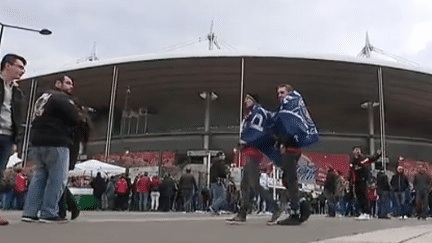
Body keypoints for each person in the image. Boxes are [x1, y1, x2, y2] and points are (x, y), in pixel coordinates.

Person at [22, 75, 80, 223]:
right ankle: (49, 212)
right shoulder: (61, 98)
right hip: (56, 141)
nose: (70, 86)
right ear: (58, 83)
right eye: (67, 83)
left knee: (39, 177)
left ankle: (30, 212)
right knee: (57, 179)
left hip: (37, 141)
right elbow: (75, 118)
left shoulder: (42, 97)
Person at [227, 94, 284, 224]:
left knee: (254, 184)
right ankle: (242, 213)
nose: (245, 101)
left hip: (255, 151)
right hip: (253, 151)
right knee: (245, 184)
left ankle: (275, 207)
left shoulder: (257, 112)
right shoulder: (251, 114)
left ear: (254, 101)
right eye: (245, 99)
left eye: (248, 99)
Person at [270, 84, 318, 225]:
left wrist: (281, 143)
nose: (279, 95)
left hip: (290, 149)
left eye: (282, 92)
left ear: (289, 93)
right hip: (291, 148)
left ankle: (297, 212)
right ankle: (301, 206)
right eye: (278, 92)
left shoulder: (291, 107)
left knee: (290, 180)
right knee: (288, 180)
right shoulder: (290, 108)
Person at [0, 54, 26, 225]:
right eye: (19, 67)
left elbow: (18, 117)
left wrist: (16, 141)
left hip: (7, 136)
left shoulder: (17, 92)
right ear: (7, 65)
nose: (22, 71)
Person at [349, 146, 381, 220]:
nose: (357, 151)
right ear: (353, 151)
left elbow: (373, 158)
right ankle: (362, 212)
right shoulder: (352, 161)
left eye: (358, 149)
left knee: (363, 196)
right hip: (356, 180)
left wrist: (378, 154)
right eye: (355, 150)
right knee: (358, 196)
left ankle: (367, 213)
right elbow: (351, 171)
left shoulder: (364, 158)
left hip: (363, 179)